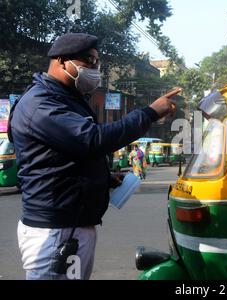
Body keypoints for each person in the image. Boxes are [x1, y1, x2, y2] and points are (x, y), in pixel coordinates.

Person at [8, 33, 181, 280]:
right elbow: (93, 140)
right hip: (56, 230)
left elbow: (61, 158)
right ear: (61, 61)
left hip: (72, 226)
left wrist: (104, 178)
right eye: (88, 61)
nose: (95, 68)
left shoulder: (67, 100)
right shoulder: (41, 103)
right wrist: (149, 113)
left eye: (97, 62)